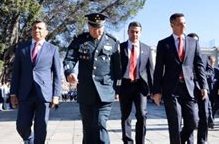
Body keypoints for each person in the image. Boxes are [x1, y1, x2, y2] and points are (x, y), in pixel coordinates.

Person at [63, 12, 121, 144]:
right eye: (94, 27)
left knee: (100, 123)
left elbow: (118, 69)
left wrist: (118, 89)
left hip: (106, 91)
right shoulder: (80, 40)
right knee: (88, 128)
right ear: (88, 26)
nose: (97, 30)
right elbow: (69, 59)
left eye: (100, 27)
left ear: (104, 25)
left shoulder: (112, 42)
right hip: (86, 91)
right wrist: (70, 73)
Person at [152, 13, 208, 144]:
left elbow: (199, 66)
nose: (183, 26)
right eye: (179, 24)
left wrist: (203, 86)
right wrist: (156, 91)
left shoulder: (193, 43)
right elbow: (158, 69)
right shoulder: (163, 44)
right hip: (171, 89)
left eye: (184, 23)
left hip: (188, 88)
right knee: (175, 124)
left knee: (193, 121)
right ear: (172, 25)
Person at [10, 21, 62, 144]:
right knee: (21, 125)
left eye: (40, 28)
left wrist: (56, 95)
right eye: (34, 28)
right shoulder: (22, 48)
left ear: (46, 32)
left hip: (44, 94)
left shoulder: (53, 49)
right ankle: (29, 140)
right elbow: (16, 72)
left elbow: (57, 74)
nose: (36, 30)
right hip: (25, 92)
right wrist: (13, 93)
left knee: (41, 126)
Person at [118, 22, 154, 144]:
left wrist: (153, 90)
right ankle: (127, 141)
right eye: (132, 31)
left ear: (140, 33)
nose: (135, 34)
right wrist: (115, 88)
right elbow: (116, 69)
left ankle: (140, 141)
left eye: (137, 32)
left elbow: (150, 70)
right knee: (126, 116)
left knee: (142, 115)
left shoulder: (147, 49)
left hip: (140, 86)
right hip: (125, 85)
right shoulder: (120, 47)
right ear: (128, 32)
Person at [187, 33, 214, 144]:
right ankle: (190, 141)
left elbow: (210, 71)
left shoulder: (204, 57)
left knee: (204, 116)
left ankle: (202, 141)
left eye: (195, 41)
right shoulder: (184, 56)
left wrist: (200, 74)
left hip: (202, 88)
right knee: (190, 117)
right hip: (188, 88)